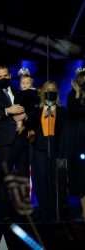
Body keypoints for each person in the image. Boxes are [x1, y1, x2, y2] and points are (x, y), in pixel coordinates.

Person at [0, 64, 29, 222]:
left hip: (21, 139)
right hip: (4, 141)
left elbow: (28, 110)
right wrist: (7, 111)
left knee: (23, 177)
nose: (3, 79)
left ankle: (23, 214)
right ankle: (6, 214)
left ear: (10, 76)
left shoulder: (18, 92)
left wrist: (24, 117)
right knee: (6, 178)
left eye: (5, 76)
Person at [31, 81, 66, 222]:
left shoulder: (63, 111)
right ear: (43, 93)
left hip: (57, 149)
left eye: (53, 89)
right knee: (41, 180)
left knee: (57, 180)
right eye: (47, 89)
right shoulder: (36, 110)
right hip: (40, 149)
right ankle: (44, 209)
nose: (50, 91)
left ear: (57, 92)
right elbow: (31, 128)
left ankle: (57, 209)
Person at [64, 69, 85, 220]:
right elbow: (72, 113)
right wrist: (78, 94)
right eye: (81, 81)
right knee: (81, 177)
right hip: (78, 142)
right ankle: (84, 211)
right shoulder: (72, 95)